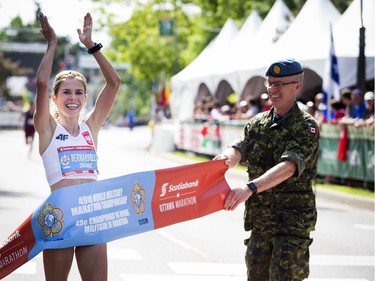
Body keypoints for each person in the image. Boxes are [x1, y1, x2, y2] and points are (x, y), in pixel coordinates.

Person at [214, 59, 319, 280]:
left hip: (291, 226)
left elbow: (288, 167)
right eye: (270, 83)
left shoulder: (305, 127)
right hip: (261, 223)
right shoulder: (258, 123)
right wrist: (225, 160)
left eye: (279, 84)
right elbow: (239, 147)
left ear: (297, 86)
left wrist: (249, 188)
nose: (272, 89)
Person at [34, 12, 121, 281]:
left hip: (92, 215)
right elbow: (40, 82)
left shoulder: (91, 126)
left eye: (79, 92)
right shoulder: (48, 128)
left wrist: (91, 45)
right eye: (66, 92)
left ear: (85, 97)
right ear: (55, 98)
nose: (73, 98)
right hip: (60, 216)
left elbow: (114, 83)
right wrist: (52, 44)